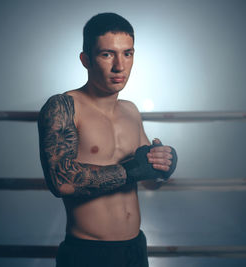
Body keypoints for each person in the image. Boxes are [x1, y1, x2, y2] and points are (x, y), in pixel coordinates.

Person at [38, 12, 177, 267]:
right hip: (89, 252)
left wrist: (163, 167)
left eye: (127, 53)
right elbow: (61, 181)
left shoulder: (131, 110)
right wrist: (132, 170)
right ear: (86, 59)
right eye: (107, 54)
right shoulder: (64, 106)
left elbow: (148, 182)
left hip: (134, 247)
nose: (119, 66)